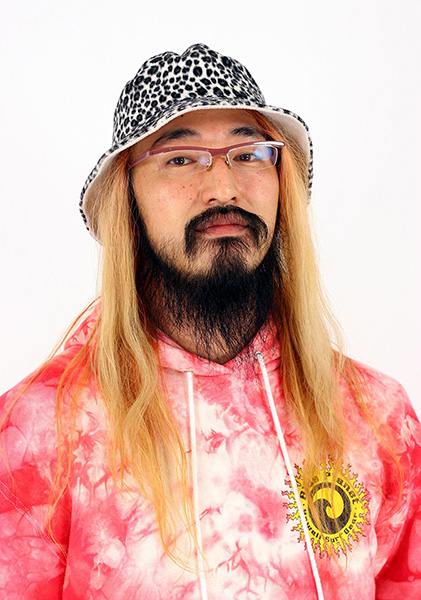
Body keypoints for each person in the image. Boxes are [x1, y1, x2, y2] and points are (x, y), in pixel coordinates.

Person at [0, 43, 419, 600]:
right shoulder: (39, 431)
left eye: (249, 153)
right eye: (180, 158)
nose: (223, 188)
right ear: (128, 203)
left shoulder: (378, 420)